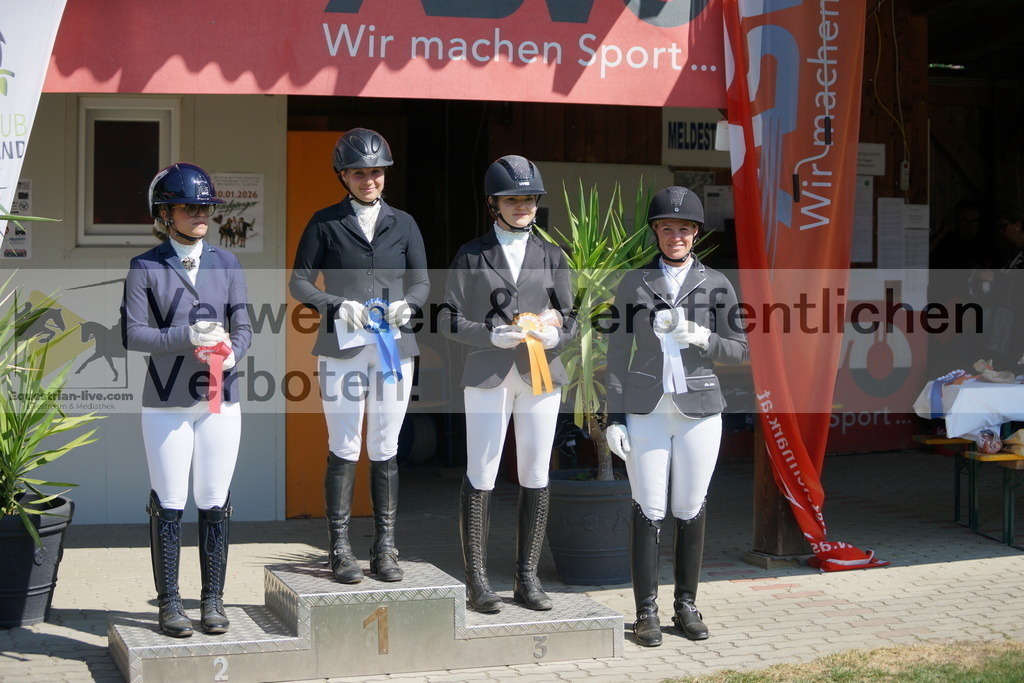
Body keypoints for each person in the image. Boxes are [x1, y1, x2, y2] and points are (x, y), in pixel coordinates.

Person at [604, 186, 748, 646]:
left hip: (699, 408)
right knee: (648, 508)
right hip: (646, 407)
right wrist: (613, 417)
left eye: (684, 229)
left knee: (688, 506)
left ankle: (686, 605)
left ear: (696, 233)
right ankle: (645, 611)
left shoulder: (717, 283)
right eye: (667, 228)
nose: (676, 236)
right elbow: (616, 352)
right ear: (656, 232)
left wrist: (702, 337)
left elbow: (740, 349)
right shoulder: (634, 282)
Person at [289, 128, 429, 585]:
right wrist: (335, 304)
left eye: (376, 172)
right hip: (342, 348)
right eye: (359, 173)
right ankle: (340, 548)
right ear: (343, 176)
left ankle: (385, 548)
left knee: (386, 446)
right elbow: (299, 282)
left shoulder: (404, 223)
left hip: (393, 349)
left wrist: (410, 305)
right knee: (345, 444)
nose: (370, 180)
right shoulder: (325, 222)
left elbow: (422, 281)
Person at [440, 155, 577, 613]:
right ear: (493, 204)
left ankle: (526, 578)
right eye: (512, 199)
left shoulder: (552, 255)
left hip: (540, 374)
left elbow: (571, 317)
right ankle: (477, 581)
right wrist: (488, 334)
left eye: (530, 199)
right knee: (482, 470)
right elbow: (447, 317)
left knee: (536, 472)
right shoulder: (471, 254)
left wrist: (557, 334)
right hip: (488, 373)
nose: (522, 206)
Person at [121, 162, 252, 637]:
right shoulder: (146, 267)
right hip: (167, 399)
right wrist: (185, 335)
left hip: (220, 397)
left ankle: (213, 599)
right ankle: (170, 603)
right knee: (170, 500)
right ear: (165, 213)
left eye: (205, 208)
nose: (200, 215)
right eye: (189, 207)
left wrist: (234, 352)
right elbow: (133, 334)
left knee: (215, 499)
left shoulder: (228, 263)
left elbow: (243, 326)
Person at [971, 204, 1024, 369]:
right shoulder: (1013, 253)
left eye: (1003, 226)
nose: (1001, 232)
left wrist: (997, 278)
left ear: (1018, 225)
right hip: (1007, 320)